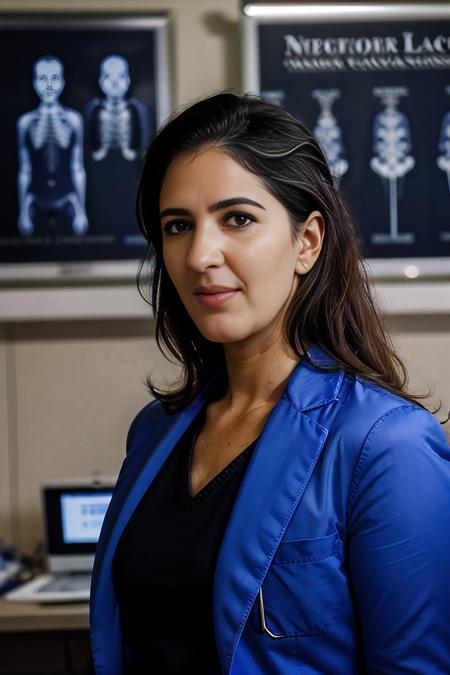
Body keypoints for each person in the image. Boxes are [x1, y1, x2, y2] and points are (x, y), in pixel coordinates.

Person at [90, 92, 450, 674]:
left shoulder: (386, 445)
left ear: (307, 242)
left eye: (237, 219)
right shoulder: (153, 432)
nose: (200, 254)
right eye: (178, 226)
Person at [17, 55, 88, 237]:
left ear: (62, 82)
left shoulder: (74, 120)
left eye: (54, 78)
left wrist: (82, 211)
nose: (48, 85)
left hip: (67, 197)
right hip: (36, 197)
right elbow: (25, 169)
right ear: (34, 83)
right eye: (42, 79)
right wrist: (22, 212)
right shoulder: (25, 122)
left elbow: (77, 167)